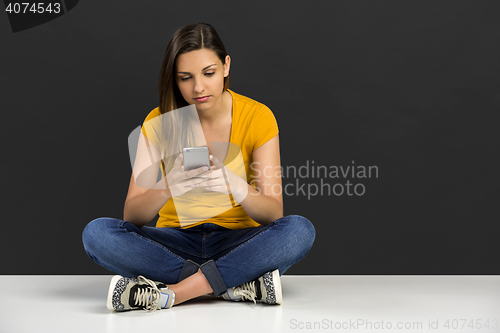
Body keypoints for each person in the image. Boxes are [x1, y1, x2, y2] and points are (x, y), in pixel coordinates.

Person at [82, 22, 315, 312]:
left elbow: (273, 214)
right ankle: (235, 284)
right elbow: (132, 216)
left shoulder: (258, 116)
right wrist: (170, 183)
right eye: (185, 78)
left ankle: (177, 293)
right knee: (96, 234)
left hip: (237, 241)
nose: (198, 87)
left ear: (226, 66)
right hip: (174, 243)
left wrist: (234, 183)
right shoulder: (158, 121)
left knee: (299, 230)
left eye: (209, 73)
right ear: (174, 79)